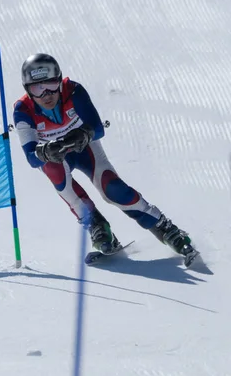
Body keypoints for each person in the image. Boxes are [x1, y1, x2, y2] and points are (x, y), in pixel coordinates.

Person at [13, 53, 196, 264]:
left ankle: (163, 226)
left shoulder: (73, 91)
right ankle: (96, 225)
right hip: (57, 158)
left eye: (52, 84)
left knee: (111, 188)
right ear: (27, 89)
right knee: (56, 174)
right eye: (37, 88)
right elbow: (31, 157)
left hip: (84, 148)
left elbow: (98, 128)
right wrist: (45, 152)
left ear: (60, 80)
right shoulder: (22, 109)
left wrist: (83, 134)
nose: (47, 93)